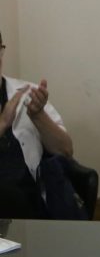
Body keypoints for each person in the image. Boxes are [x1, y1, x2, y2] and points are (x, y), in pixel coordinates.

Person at [0, 28, 73, 218]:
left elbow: (66, 150)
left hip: (31, 208)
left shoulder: (27, 93)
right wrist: (3, 123)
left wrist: (38, 115)